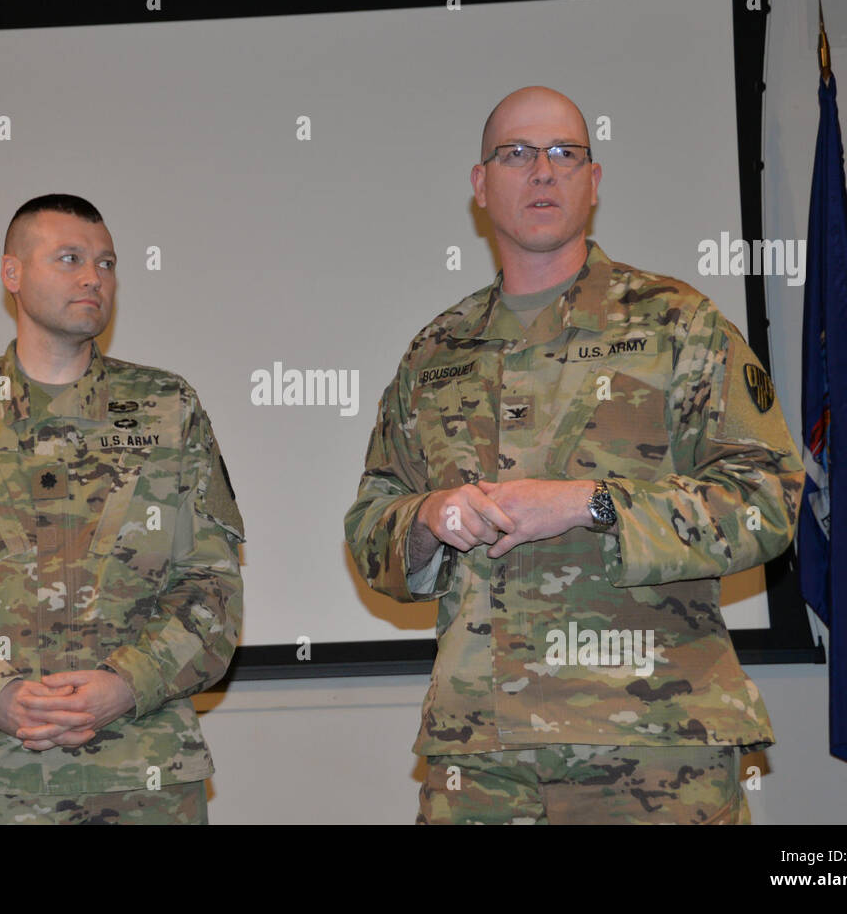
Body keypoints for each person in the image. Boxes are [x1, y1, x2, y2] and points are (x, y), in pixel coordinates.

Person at [344, 87, 805, 824]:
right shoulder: (435, 354)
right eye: (516, 154)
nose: (542, 171)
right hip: (481, 756)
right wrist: (429, 517)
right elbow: (371, 527)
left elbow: (770, 500)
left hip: (655, 750)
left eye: (565, 153)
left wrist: (590, 505)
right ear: (480, 183)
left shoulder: (678, 326)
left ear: (593, 182)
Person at [0, 193, 244, 824]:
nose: (94, 277)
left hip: (139, 779)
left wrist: (126, 686)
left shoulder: (169, 410)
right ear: (12, 274)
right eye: (70, 258)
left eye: (107, 263)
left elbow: (213, 591)